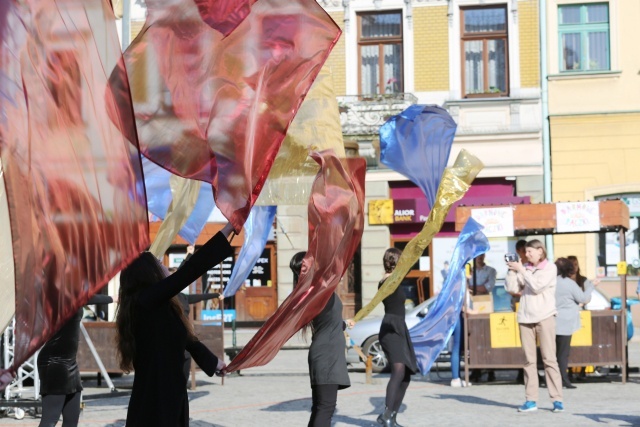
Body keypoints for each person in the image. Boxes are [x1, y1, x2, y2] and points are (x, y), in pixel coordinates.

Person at [116, 223, 234, 427]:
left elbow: (188, 340)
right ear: (149, 274)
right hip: (155, 401)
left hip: (170, 395)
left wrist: (214, 363)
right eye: (159, 264)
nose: (164, 266)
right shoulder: (145, 301)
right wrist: (228, 229)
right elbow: (188, 272)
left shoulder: (160, 305)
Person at [290, 251, 351, 427]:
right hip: (327, 355)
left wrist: (344, 324)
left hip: (326, 353)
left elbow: (328, 321)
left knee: (320, 408)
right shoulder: (317, 293)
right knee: (325, 408)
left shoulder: (314, 292)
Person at [36, 294, 114, 427]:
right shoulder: (60, 295)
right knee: (50, 418)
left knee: (72, 418)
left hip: (69, 361)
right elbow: (90, 298)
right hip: (54, 361)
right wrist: (114, 297)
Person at [506, 239, 564, 413]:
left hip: (545, 316)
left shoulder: (549, 267)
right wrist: (511, 270)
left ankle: (557, 399)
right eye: (526, 251)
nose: (527, 254)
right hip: (525, 318)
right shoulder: (525, 268)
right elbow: (511, 288)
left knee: (549, 359)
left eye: (530, 251)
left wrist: (522, 270)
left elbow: (537, 286)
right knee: (528, 361)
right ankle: (531, 400)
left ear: (540, 251)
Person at [377, 248, 418, 427]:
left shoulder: (394, 279)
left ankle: (391, 416)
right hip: (391, 328)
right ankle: (386, 414)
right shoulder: (388, 280)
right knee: (399, 370)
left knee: (406, 373)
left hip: (399, 327)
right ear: (394, 262)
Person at [555, 257, 594, 389]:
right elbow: (582, 297)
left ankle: (555, 379)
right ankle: (563, 380)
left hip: (551, 320)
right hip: (565, 322)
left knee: (553, 353)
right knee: (563, 353)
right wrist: (592, 286)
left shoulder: (552, 282)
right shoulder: (569, 283)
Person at [467, 254, 496, 383]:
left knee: (488, 340)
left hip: (485, 305)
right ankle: (476, 370)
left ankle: (491, 371)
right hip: (472, 305)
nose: (479, 258)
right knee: (474, 340)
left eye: (481, 255)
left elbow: (487, 287)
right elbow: (466, 287)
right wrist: (475, 288)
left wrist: (473, 288)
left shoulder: (491, 271)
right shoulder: (469, 271)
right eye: (477, 255)